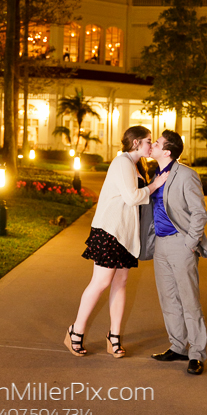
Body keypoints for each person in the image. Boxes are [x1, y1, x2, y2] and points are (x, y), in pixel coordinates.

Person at [64, 126, 169, 358]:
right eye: (147, 141)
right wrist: (156, 184)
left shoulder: (135, 165)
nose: (150, 145)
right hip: (110, 230)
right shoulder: (122, 162)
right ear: (135, 143)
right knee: (101, 282)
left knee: (120, 283)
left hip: (126, 235)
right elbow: (133, 198)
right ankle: (75, 331)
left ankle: (114, 336)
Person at [141, 129, 207, 375]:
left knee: (189, 300)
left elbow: (199, 213)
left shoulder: (186, 175)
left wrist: (190, 243)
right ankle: (177, 346)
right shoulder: (155, 173)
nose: (152, 146)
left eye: (157, 143)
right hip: (160, 244)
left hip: (181, 243)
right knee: (168, 298)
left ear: (167, 151)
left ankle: (196, 353)